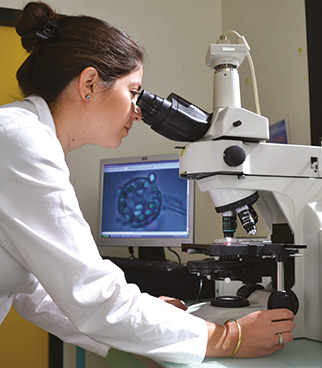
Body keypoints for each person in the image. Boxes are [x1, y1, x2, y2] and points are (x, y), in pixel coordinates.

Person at [0, 1, 295, 364]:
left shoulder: (21, 135)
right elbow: (94, 298)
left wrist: (153, 324)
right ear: (90, 82)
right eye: (134, 91)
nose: (139, 111)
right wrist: (226, 338)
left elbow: (34, 291)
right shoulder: (21, 142)